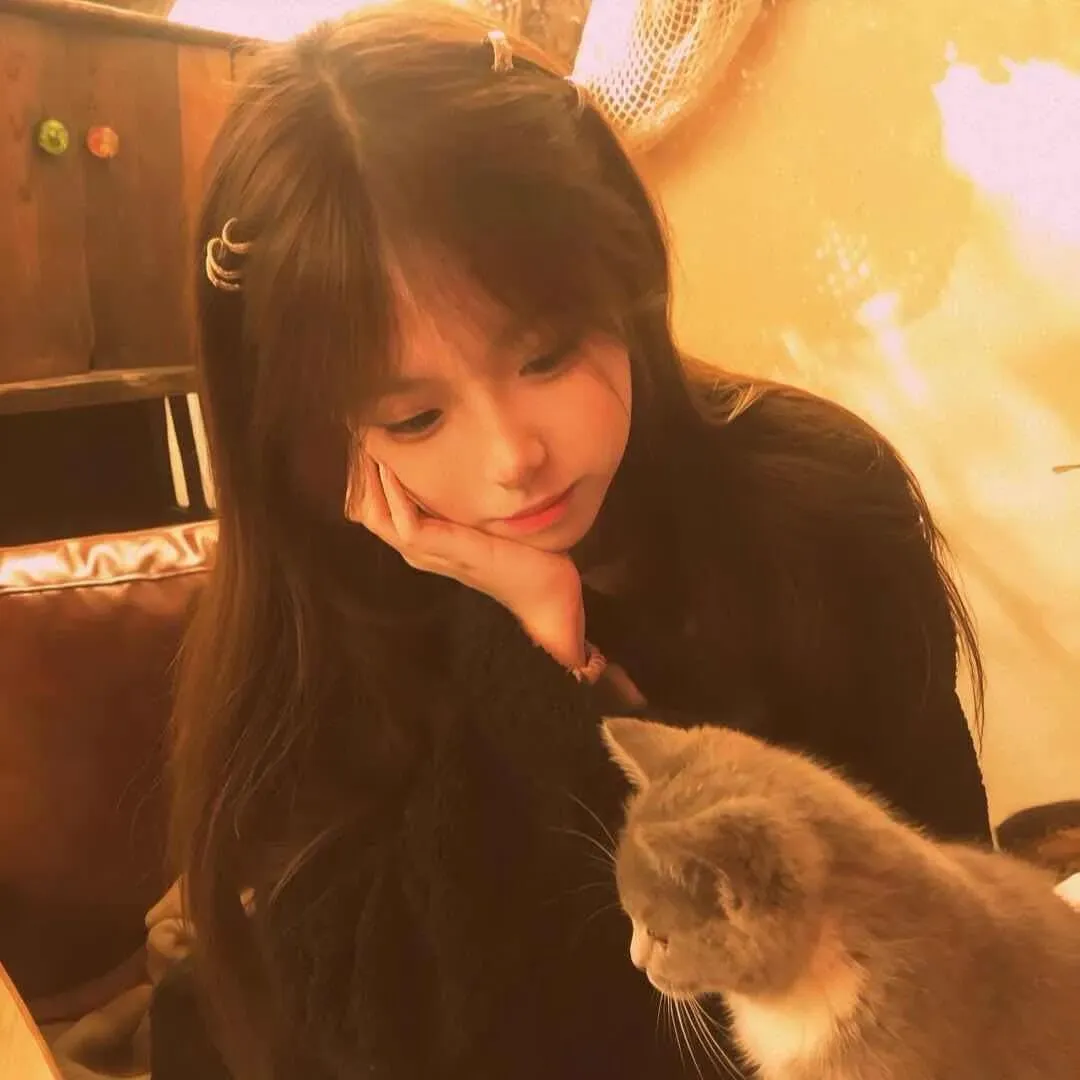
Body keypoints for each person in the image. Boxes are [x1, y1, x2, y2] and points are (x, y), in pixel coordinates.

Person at [154, 4, 991, 1078]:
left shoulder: (814, 509)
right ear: (321, 435)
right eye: (416, 417)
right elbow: (404, 1044)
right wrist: (537, 649)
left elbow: (944, 911)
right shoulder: (316, 636)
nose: (514, 456)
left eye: (546, 356)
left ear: (624, 285)